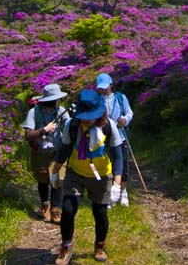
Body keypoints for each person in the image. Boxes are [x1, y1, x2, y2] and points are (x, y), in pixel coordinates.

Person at [50, 89, 124, 264]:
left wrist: (117, 183)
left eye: (91, 115)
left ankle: (100, 245)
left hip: (101, 175)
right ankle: (66, 247)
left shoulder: (109, 126)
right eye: (84, 115)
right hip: (75, 172)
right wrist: (55, 172)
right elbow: (64, 149)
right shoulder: (72, 125)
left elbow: (118, 155)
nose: (87, 119)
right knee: (68, 209)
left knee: (100, 213)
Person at [22, 83, 70, 224]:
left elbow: (68, 125)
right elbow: (28, 134)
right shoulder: (33, 112)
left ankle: (56, 210)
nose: (58, 101)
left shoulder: (61, 110)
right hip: (40, 151)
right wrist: (44, 130)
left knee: (57, 179)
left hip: (57, 150)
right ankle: (45, 204)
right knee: (42, 179)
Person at [95, 72, 133, 207]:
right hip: (103, 138)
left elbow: (129, 113)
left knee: (122, 166)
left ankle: (123, 193)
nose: (103, 90)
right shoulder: (97, 100)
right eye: (101, 88)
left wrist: (125, 120)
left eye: (105, 87)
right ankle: (109, 195)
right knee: (107, 167)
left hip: (121, 136)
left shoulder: (121, 98)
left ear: (111, 85)